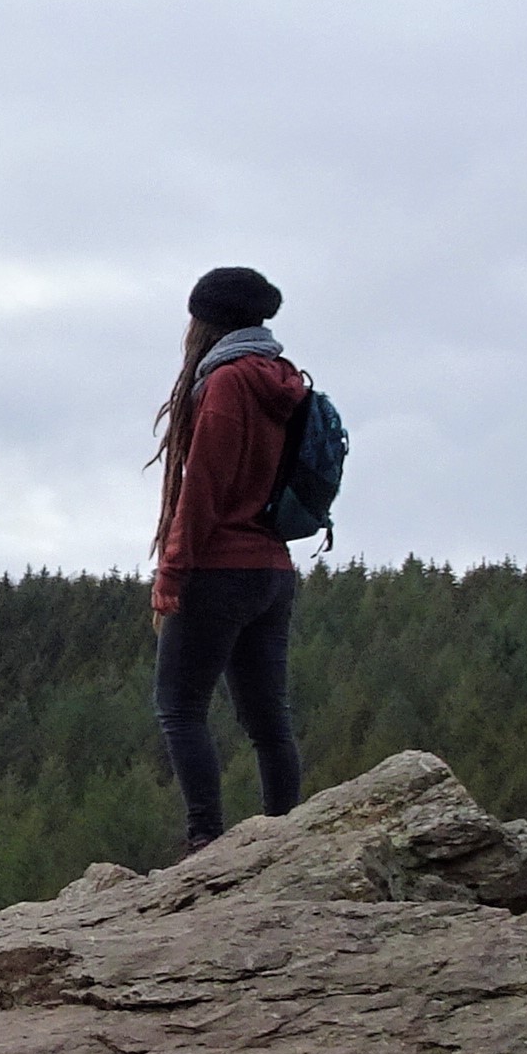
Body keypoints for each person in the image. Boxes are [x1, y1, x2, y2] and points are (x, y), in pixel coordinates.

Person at [150, 262, 309, 853]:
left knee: (180, 707)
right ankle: (286, 839)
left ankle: (205, 843)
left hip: (219, 569)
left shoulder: (224, 382)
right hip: (273, 569)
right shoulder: (284, 379)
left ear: (207, 321)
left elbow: (203, 489)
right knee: (268, 718)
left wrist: (171, 573)